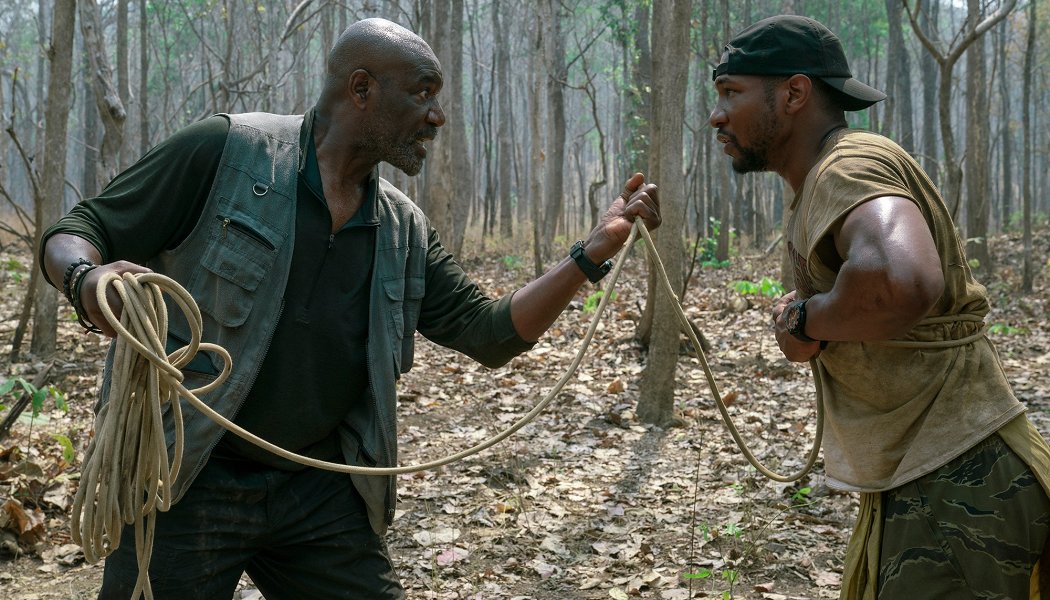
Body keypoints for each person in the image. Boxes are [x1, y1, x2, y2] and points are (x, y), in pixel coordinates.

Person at [40, 18, 660, 600]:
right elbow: (78, 230)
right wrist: (86, 281)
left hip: (319, 490)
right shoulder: (224, 152)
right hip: (188, 474)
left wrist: (592, 251)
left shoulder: (403, 230)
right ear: (361, 89)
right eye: (422, 94)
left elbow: (490, 333)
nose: (438, 116)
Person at [709, 14, 1050, 599]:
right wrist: (809, 323)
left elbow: (901, 279)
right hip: (926, 474)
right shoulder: (822, 179)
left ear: (794, 93)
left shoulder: (847, 167)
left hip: (958, 485)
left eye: (730, 92)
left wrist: (802, 319)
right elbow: (866, 305)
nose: (716, 115)